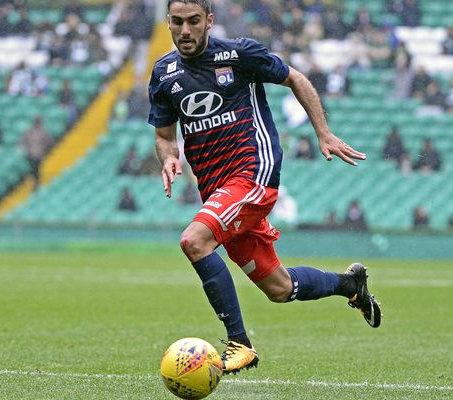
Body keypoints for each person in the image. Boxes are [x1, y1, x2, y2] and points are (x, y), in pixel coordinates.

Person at [148, 0, 381, 376]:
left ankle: (240, 343)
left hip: (253, 173)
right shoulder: (163, 73)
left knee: (194, 241)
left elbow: (296, 78)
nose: (186, 30)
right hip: (217, 189)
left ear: (209, 20)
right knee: (280, 288)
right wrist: (169, 157)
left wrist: (323, 132)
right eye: (177, 22)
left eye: (194, 21)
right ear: (168, 23)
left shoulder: (239, 54)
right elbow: (164, 136)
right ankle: (350, 286)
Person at [20, 116, 53, 189]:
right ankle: (35, 183)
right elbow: (23, 140)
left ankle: (36, 183)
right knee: (34, 169)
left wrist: (45, 148)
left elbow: (49, 142)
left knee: (36, 169)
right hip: (31, 154)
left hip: (39, 154)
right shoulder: (30, 131)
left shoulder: (43, 132)